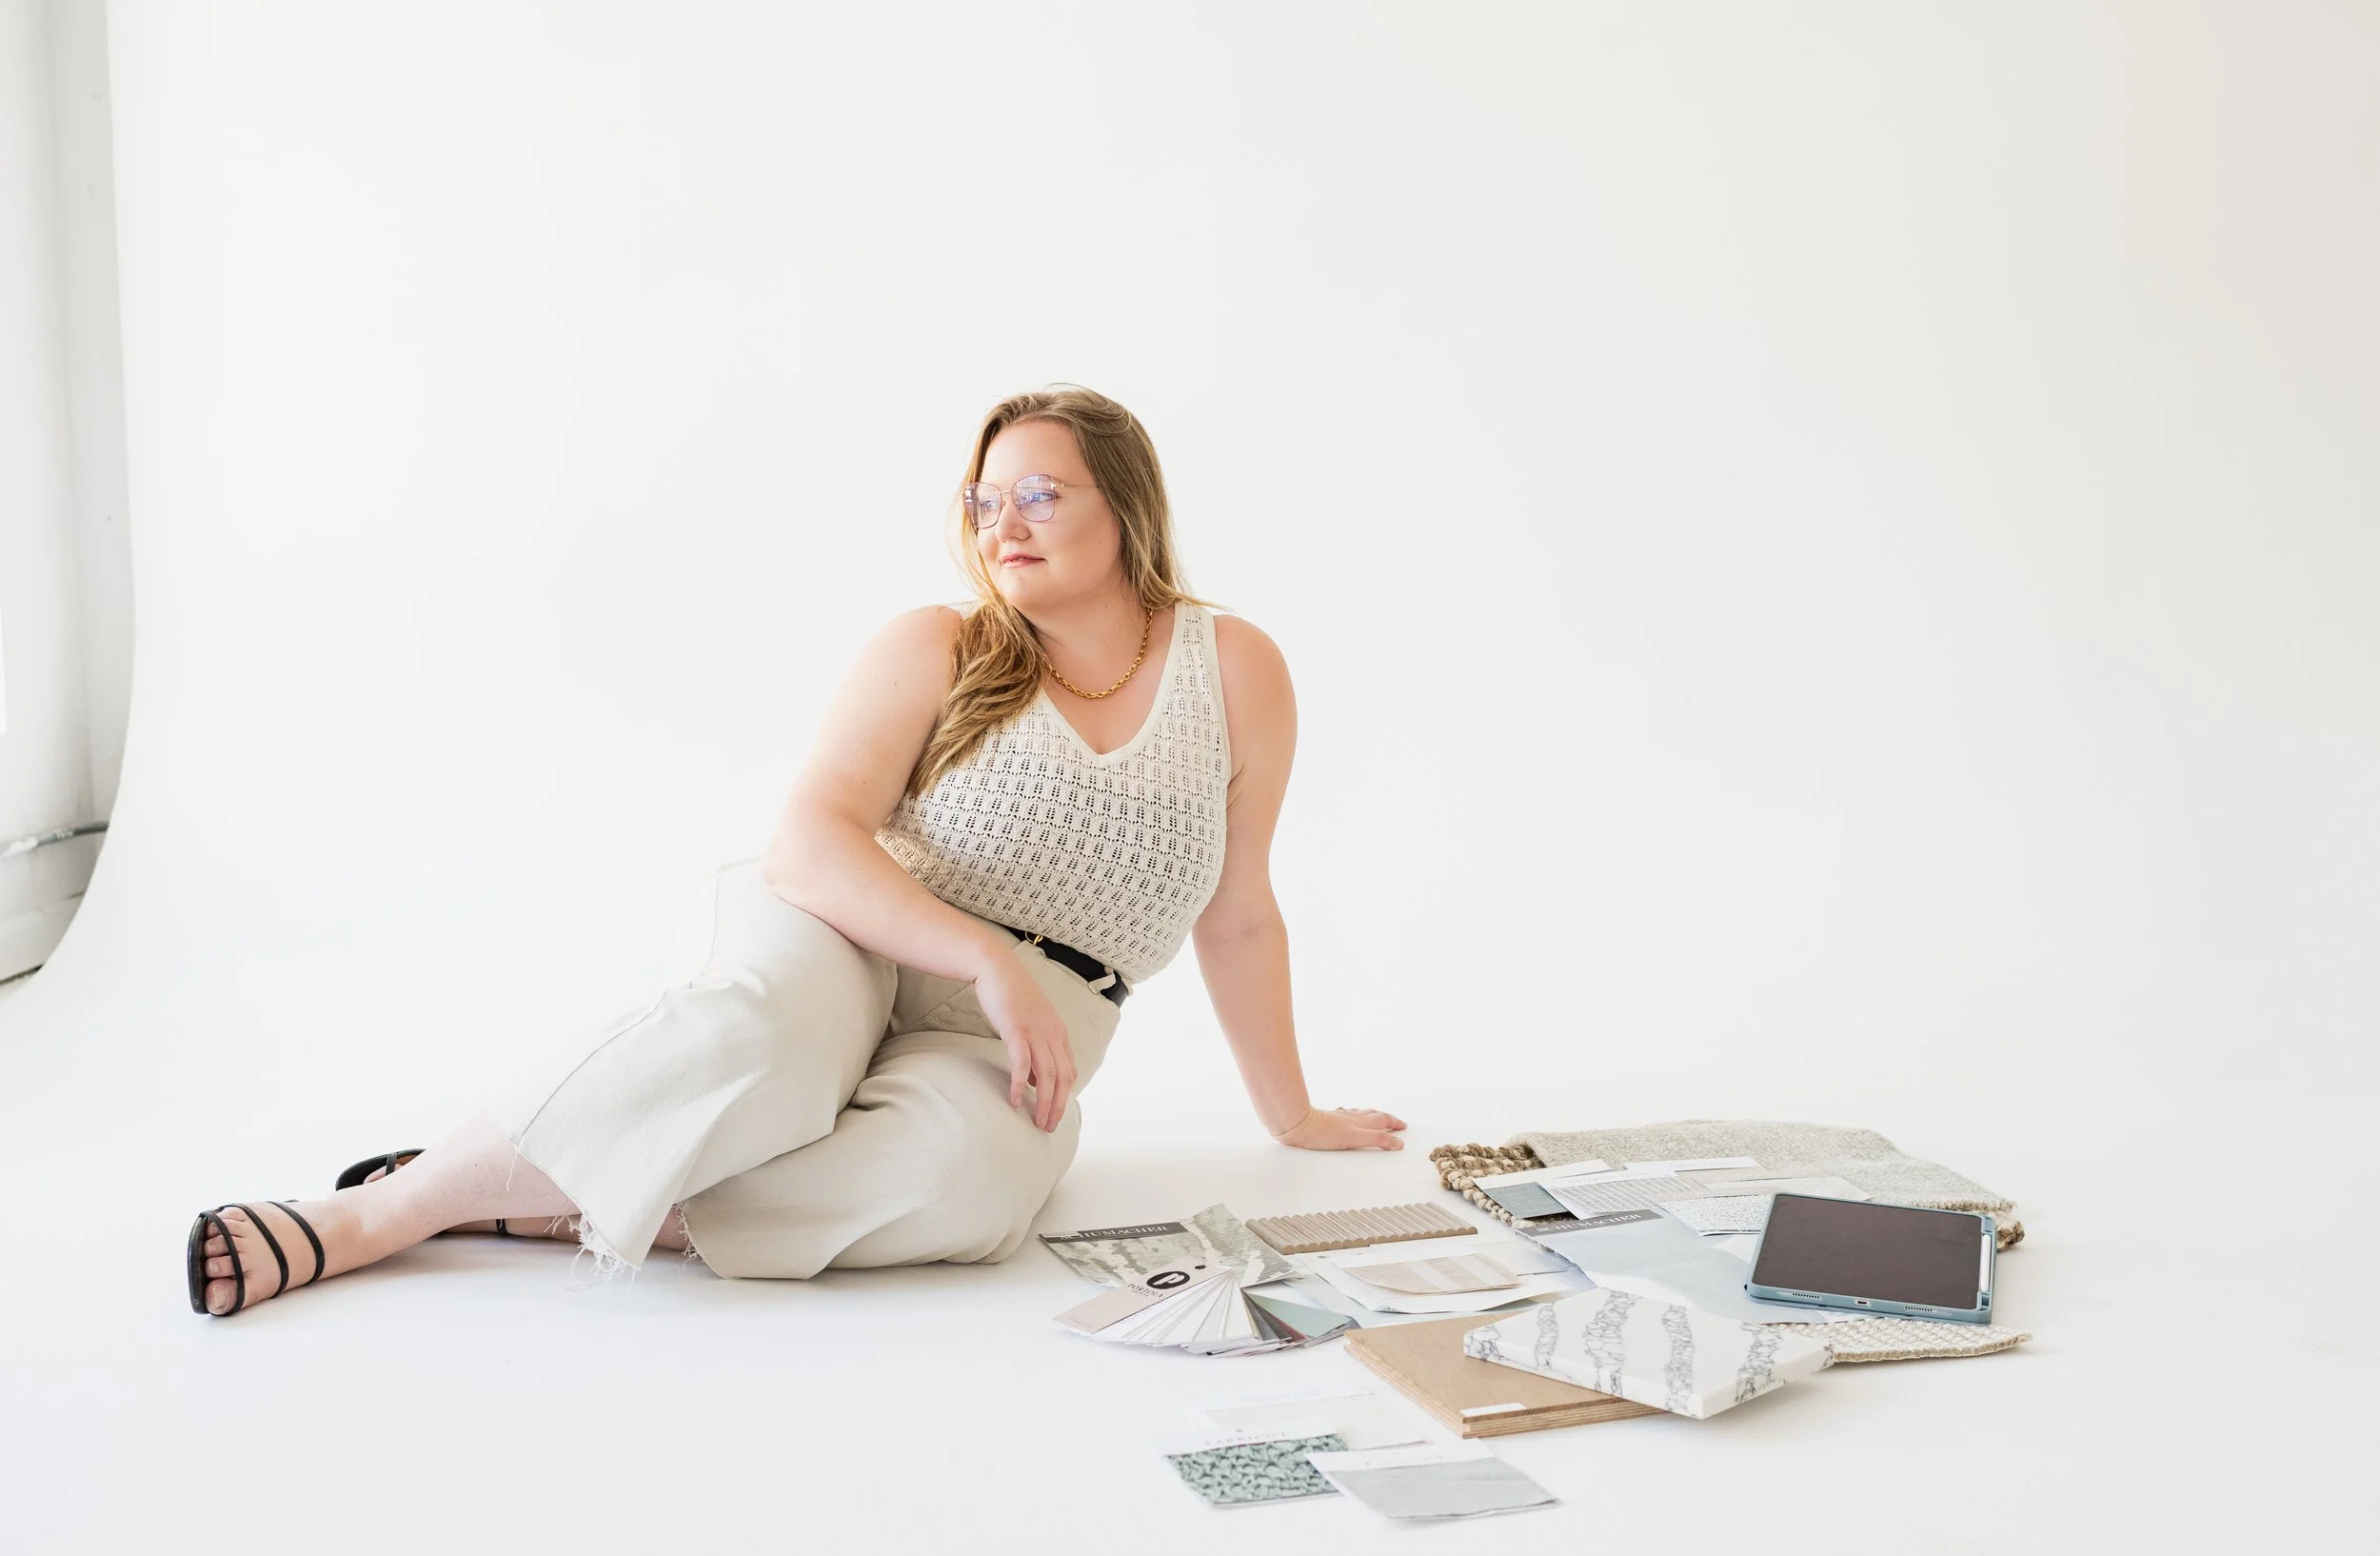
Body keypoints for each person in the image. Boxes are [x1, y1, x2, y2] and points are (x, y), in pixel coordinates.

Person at [186, 385, 1406, 1317]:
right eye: (985, 501)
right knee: (758, 1032)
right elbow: (810, 839)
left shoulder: (1230, 667)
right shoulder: (939, 642)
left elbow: (1238, 909)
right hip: (844, 930)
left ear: (1126, 505)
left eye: (1040, 492)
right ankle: (379, 1212)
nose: (1003, 523)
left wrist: (1289, 1112)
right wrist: (979, 952)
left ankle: (552, 1192)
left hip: (1025, 1028)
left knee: (974, 1186)